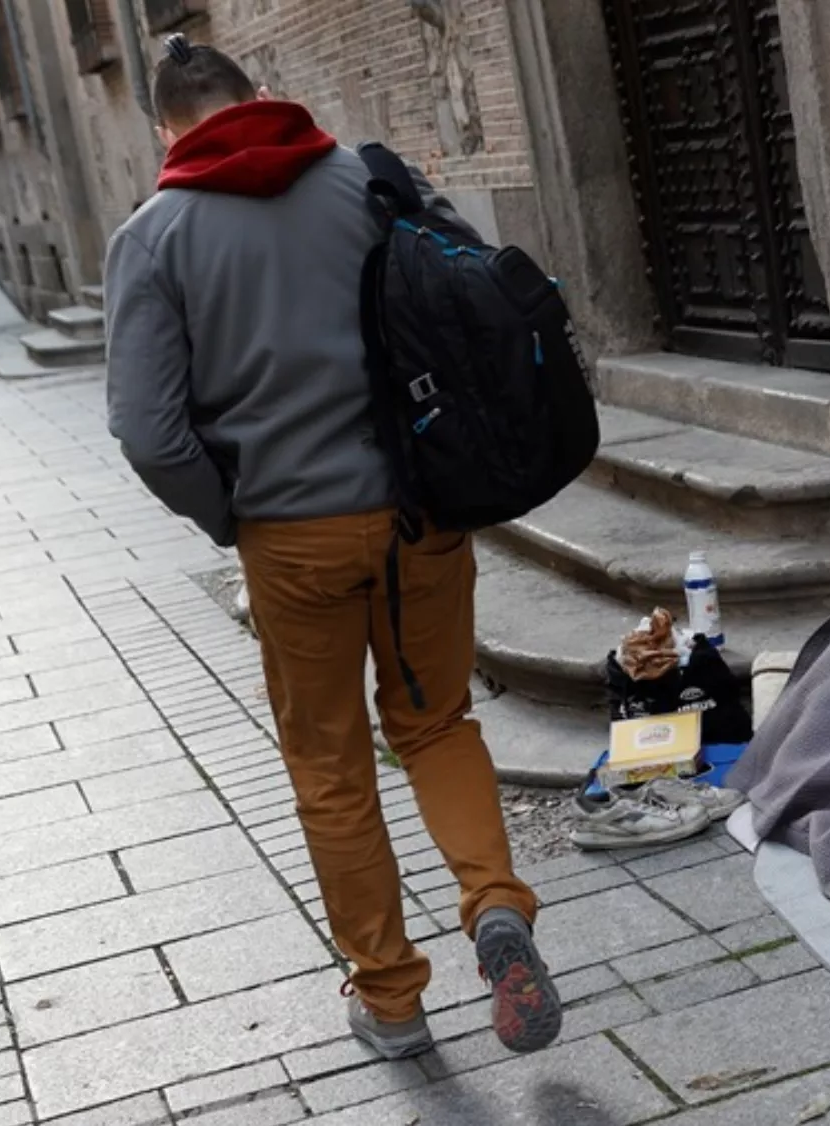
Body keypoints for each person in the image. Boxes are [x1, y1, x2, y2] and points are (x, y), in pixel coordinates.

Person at [103, 36, 561, 1059]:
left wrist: (231, 513)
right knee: (436, 722)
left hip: (290, 537)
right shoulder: (368, 179)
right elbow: (475, 295)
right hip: (421, 513)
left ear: (164, 128)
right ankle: (495, 903)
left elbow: (146, 429)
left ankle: (392, 997)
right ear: (261, 96)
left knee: (330, 764)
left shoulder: (154, 237)